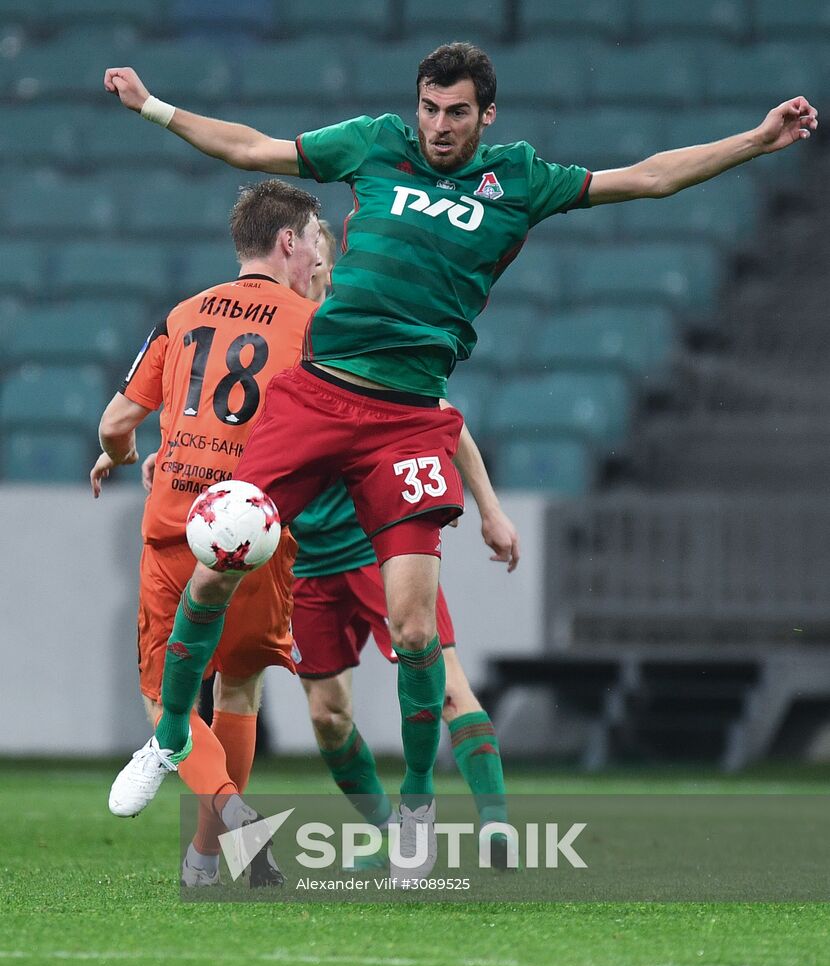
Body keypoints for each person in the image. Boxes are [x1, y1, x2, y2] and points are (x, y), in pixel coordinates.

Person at [103, 42, 817, 878]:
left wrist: (754, 141)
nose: (439, 127)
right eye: (429, 109)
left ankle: (413, 803)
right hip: (317, 396)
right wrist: (155, 108)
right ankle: (165, 742)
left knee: (414, 630)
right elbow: (254, 149)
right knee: (214, 558)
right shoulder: (373, 143)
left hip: (408, 419)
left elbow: (649, 176)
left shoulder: (519, 180)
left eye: (457, 113)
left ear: (487, 116)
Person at [94, 178, 322, 887]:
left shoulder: (184, 313)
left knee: (166, 698)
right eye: (315, 238)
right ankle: (203, 861)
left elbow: (113, 425)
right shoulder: (315, 324)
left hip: (179, 525)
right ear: (288, 242)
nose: (318, 253)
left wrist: (125, 456)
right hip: (261, 530)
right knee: (240, 689)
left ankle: (230, 814)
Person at [292, 229, 518, 868]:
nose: (310, 260)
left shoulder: (352, 333)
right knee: (327, 717)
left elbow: (439, 413)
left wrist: (490, 510)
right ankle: (396, 835)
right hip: (304, 562)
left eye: (319, 248)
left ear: (329, 267)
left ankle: (496, 826)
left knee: (444, 681)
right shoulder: (270, 342)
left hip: (376, 546)